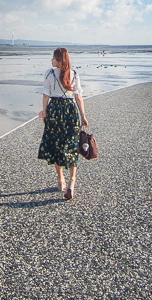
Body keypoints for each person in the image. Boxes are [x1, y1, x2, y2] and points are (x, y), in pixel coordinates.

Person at [37, 47, 89, 200]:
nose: (51, 60)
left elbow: (46, 95)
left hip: (55, 110)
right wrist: (83, 116)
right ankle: (72, 182)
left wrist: (44, 112)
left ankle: (61, 180)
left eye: (53, 58)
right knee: (72, 145)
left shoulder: (50, 73)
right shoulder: (74, 74)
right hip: (70, 111)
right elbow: (78, 97)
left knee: (55, 145)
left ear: (59, 60)